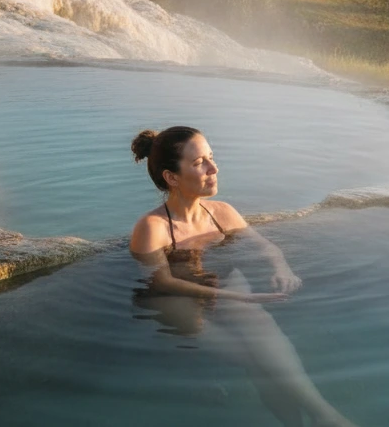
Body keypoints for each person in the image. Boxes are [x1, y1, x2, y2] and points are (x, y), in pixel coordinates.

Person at [129, 126, 358, 427]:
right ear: (171, 177)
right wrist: (237, 296)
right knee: (253, 357)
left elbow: (266, 246)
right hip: (174, 297)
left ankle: (322, 413)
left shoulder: (222, 213)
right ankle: (321, 417)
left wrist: (281, 268)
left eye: (211, 157)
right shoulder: (152, 228)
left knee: (261, 327)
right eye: (199, 163)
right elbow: (162, 281)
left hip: (221, 281)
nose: (214, 168)